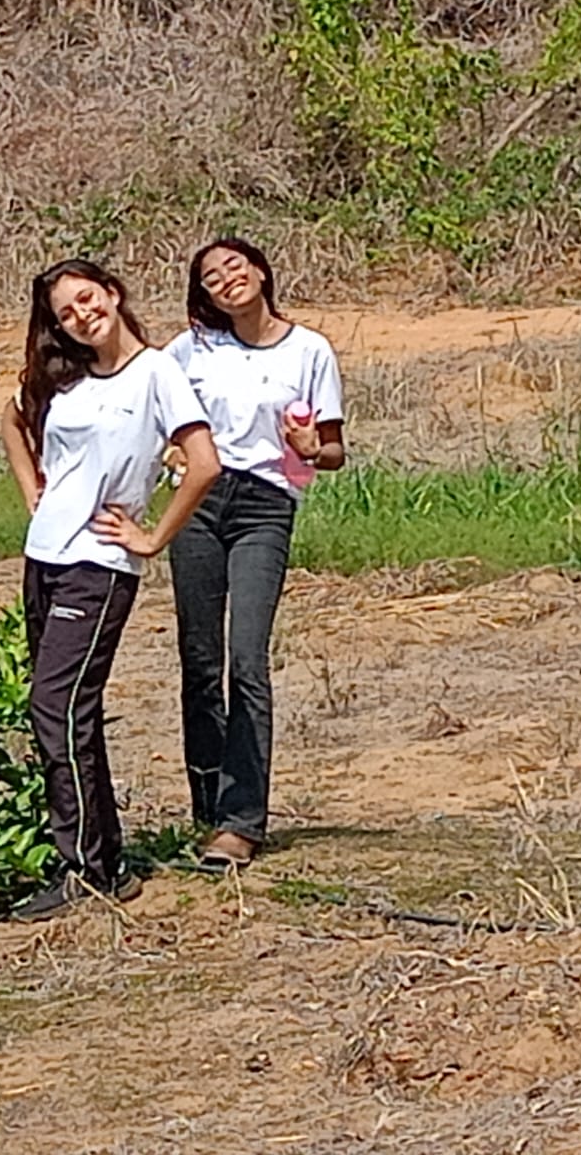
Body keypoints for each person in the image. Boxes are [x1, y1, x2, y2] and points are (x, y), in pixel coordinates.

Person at [1, 258, 221, 921]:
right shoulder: (67, 380)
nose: (80, 317)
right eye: (66, 313)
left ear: (114, 294)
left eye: (87, 301)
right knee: (69, 713)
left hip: (100, 565)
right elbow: (11, 423)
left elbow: (203, 462)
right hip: (45, 558)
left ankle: (86, 866)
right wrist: (34, 497)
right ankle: (99, 858)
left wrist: (152, 538)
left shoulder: (157, 372)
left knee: (56, 705)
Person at [161, 237, 346, 873]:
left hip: (265, 503)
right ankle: (208, 810)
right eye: (210, 278)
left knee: (246, 657)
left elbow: (332, 453)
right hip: (200, 503)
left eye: (234, 267)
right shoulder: (190, 351)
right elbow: (153, 412)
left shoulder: (309, 349)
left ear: (261, 272)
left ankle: (243, 822)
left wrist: (307, 445)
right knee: (198, 658)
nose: (226, 280)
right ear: (203, 296)